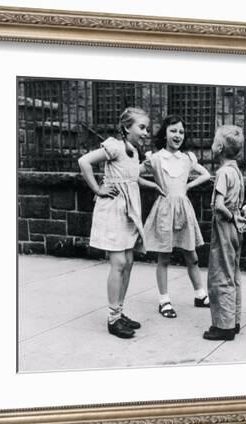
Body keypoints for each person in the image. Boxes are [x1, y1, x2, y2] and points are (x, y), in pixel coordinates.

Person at [78, 107, 163, 339]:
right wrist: (97, 188)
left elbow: (131, 179)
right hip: (113, 210)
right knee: (118, 263)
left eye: (147, 128)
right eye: (142, 127)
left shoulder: (133, 152)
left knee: (128, 261)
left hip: (129, 212)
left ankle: (119, 311)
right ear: (127, 127)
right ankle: (113, 318)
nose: (146, 132)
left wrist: (153, 185)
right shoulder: (114, 146)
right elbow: (84, 161)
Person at [141, 115, 211, 318]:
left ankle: (200, 294)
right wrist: (153, 185)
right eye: (173, 131)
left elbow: (206, 174)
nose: (177, 135)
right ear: (164, 133)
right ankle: (164, 300)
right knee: (164, 257)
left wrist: (189, 185)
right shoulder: (155, 158)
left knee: (192, 255)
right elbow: (133, 174)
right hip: (164, 211)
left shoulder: (187, 158)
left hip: (183, 211)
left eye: (181, 131)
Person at [203, 125, 246, 341]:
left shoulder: (223, 172)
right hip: (236, 228)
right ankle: (234, 320)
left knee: (220, 274)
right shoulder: (237, 171)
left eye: (214, 140)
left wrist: (231, 217)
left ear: (219, 147)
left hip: (225, 224)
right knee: (233, 273)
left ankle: (223, 327)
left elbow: (220, 205)